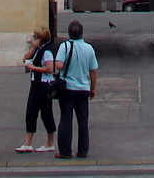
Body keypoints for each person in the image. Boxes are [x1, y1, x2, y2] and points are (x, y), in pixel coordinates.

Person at [52, 19, 99, 159]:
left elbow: (59, 65)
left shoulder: (65, 46)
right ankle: (83, 150)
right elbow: (93, 71)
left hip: (68, 88)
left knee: (66, 119)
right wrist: (93, 89)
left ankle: (65, 151)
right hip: (83, 88)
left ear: (69, 33)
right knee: (83, 121)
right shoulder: (89, 48)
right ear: (81, 33)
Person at [15, 25, 56, 153]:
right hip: (35, 84)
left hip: (44, 85)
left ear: (41, 38)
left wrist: (34, 68)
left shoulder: (47, 51)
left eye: (36, 37)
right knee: (31, 112)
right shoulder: (39, 49)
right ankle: (28, 143)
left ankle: (50, 142)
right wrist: (34, 47)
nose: (33, 39)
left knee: (46, 113)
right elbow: (25, 58)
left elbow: (50, 68)